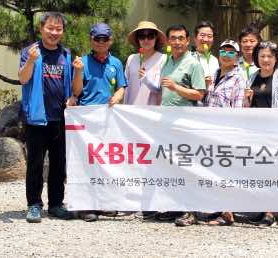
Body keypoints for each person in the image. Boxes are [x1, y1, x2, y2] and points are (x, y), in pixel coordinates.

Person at [18, 12, 76, 223]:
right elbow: (23, 79)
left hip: (60, 118)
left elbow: (70, 84)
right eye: (50, 28)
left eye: (58, 29)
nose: (54, 32)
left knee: (58, 164)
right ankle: (34, 204)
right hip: (36, 118)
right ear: (41, 29)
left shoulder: (66, 54)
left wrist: (72, 98)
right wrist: (31, 61)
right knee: (35, 163)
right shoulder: (30, 51)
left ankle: (56, 204)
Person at [70, 23, 127, 222]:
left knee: (105, 162)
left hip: (109, 120)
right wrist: (78, 71)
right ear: (91, 40)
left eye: (105, 39)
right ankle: (85, 205)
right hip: (86, 120)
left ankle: (103, 203)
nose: (101, 42)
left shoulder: (116, 63)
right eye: (97, 39)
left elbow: (122, 87)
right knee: (86, 162)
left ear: (110, 40)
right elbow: (76, 91)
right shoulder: (82, 62)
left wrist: (118, 96)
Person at [244, 41, 278, 226]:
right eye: (262, 56)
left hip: (277, 134)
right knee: (260, 171)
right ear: (256, 58)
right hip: (256, 133)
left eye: (270, 56)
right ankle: (261, 207)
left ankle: (271, 211)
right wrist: (246, 99)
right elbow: (247, 107)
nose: (266, 59)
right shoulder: (252, 77)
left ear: (276, 59)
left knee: (275, 172)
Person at [160, 24, 206, 227]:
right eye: (173, 38)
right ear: (168, 41)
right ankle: (176, 206)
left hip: (185, 122)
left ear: (188, 41)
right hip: (167, 121)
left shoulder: (193, 64)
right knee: (172, 166)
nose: (177, 42)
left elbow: (199, 94)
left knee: (187, 166)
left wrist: (176, 87)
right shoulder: (167, 61)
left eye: (181, 38)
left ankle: (191, 211)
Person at [202, 39, 247, 227]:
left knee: (228, 171)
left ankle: (228, 212)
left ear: (237, 57)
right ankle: (217, 207)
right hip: (210, 129)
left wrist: (232, 132)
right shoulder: (214, 74)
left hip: (227, 130)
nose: (226, 55)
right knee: (215, 170)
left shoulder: (239, 77)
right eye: (223, 51)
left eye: (231, 52)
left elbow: (237, 107)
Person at [124, 21, 168, 106]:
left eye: (150, 36)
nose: (146, 40)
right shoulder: (131, 58)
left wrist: (146, 79)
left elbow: (159, 89)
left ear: (156, 38)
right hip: (130, 109)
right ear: (138, 39)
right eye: (142, 36)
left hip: (151, 110)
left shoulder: (163, 59)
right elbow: (125, 86)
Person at [192, 20, 219, 89]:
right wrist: (201, 82)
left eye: (209, 36)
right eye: (202, 35)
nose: (206, 39)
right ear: (195, 38)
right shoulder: (189, 58)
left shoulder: (215, 60)